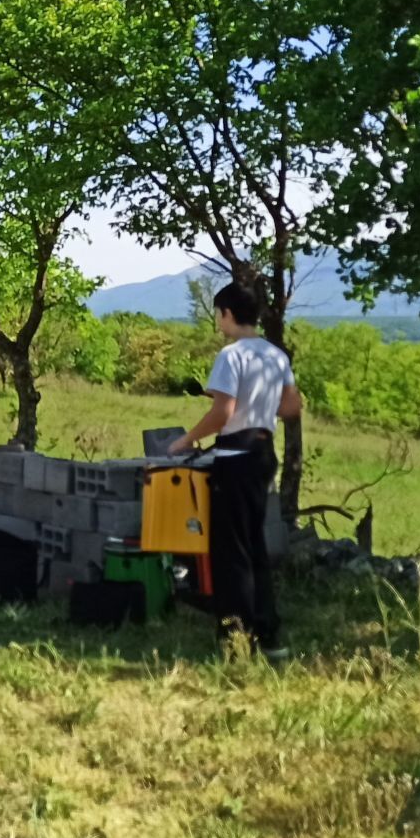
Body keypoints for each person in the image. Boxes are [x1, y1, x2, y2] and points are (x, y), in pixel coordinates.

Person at [166, 282, 302, 660]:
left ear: (226, 313)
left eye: (218, 315)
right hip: (262, 453)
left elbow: (222, 414)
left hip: (234, 459)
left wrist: (186, 440)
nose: (219, 322)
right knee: (255, 545)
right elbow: (292, 407)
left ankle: (235, 639)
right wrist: (259, 404)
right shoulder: (276, 355)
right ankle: (269, 631)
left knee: (231, 552)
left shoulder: (231, 355)